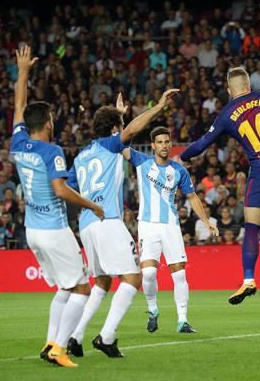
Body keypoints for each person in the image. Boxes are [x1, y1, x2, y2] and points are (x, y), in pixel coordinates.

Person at [180, 67, 260, 305]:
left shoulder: (226, 114)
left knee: (251, 225)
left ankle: (249, 279)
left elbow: (202, 143)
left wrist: (183, 157)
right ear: (248, 85)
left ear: (230, 91)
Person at [66, 88, 179, 358]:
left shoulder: (81, 156)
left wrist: (119, 115)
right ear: (116, 129)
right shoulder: (112, 143)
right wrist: (160, 106)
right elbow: (131, 131)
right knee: (133, 277)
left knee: (102, 281)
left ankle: (75, 335)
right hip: (107, 220)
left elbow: (69, 189)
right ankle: (106, 337)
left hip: (87, 224)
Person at [11, 46, 105, 367]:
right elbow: (60, 190)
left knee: (65, 287)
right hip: (53, 228)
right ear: (48, 123)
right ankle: (59, 349)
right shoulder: (52, 151)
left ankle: (50, 341)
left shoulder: (18, 141)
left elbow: (19, 105)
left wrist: (23, 71)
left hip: (31, 230)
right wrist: (91, 204)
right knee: (81, 287)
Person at [123, 126, 218, 334]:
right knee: (147, 273)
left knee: (179, 275)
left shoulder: (179, 171)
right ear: (153, 145)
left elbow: (192, 197)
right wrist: (120, 118)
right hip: (147, 225)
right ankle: (153, 310)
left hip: (171, 226)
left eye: (167, 142)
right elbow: (121, 143)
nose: (164, 145)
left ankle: (182, 321)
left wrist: (206, 221)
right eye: (160, 142)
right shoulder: (141, 162)